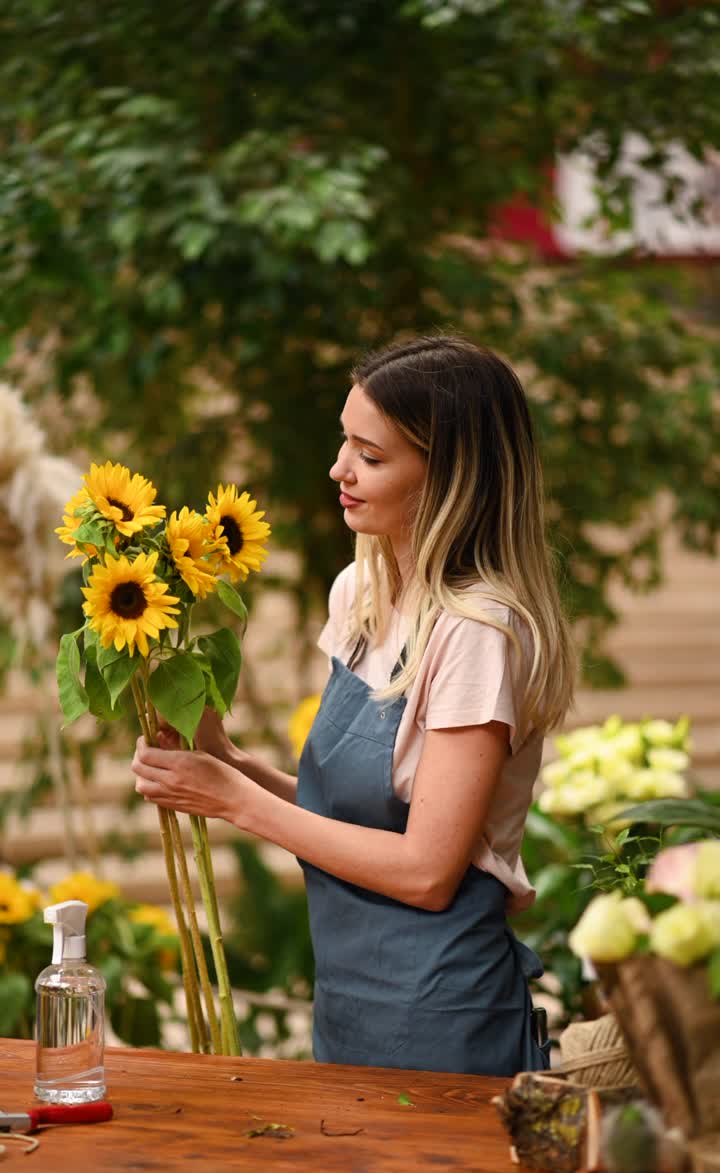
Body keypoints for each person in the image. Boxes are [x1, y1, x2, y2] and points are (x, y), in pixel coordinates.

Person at [132, 335, 576, 1075]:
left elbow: (427, 870)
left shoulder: (475, 634)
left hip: (441, 1018)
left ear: (449, 478)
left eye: (371, 457)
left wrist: (238, 801)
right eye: (346, 442)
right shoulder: (361, 594)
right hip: (349, 1003)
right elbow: (354, 821)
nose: (339, 469)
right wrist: (224, 762)